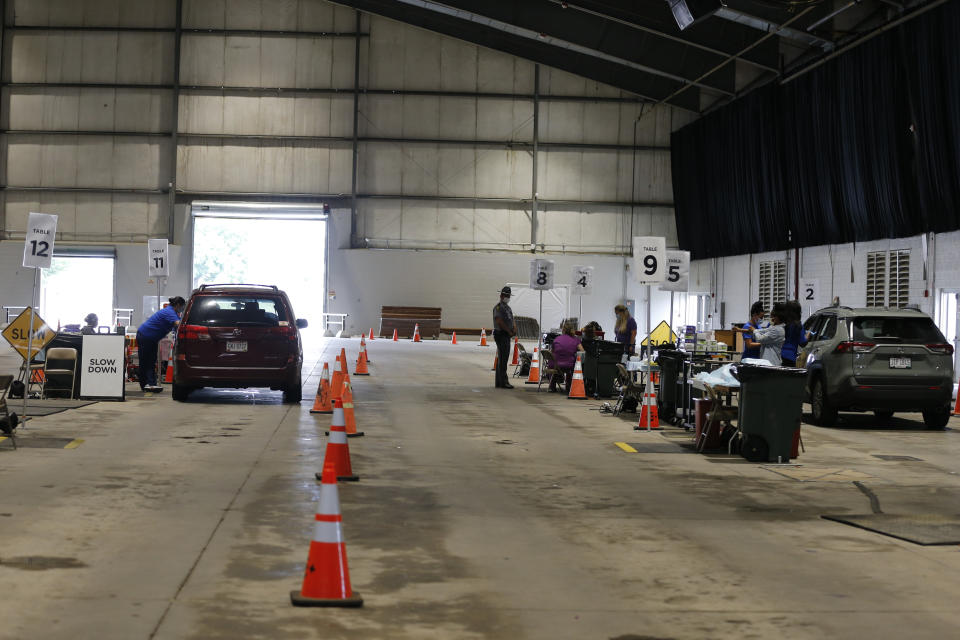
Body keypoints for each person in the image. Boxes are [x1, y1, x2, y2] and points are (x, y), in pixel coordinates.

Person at [136, 296, 186, 392]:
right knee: (145, 362)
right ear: (178, 305)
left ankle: (151, 384)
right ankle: (144, 385)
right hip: (145, 335)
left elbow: (177, 327)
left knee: (151, 361)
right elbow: (178, 324)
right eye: (183, 306)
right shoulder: (169, 312)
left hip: (152, 338)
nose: (182, 309)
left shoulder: (173, 312)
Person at [549, 321, 585, 394]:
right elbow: (583, 351)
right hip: (568, 365)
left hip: (554, 365)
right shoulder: (576, 340)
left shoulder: (557, 339)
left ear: (563, 330)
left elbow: (551, 351)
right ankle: (568, 387)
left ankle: (552, 386)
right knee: (572, 366)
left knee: (555, 363)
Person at [492, 286, 517, 389]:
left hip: (507, 335)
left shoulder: (507, 307)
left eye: (508, 296)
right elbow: (499, 321)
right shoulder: (498, 307)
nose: (507, 297)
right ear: (501, 295)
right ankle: (503, 382)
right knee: (503, 359)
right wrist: (508, 331)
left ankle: (499, 381)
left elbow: (512, 319)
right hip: (501, 334)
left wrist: (514, 328)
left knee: (503, 358)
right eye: (506, 295)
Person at [780, 300, 808, 367]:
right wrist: (808, 335)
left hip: (781, 354)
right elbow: (802, 342)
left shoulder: (784, 324)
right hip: (791, 356)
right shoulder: (798, 326)